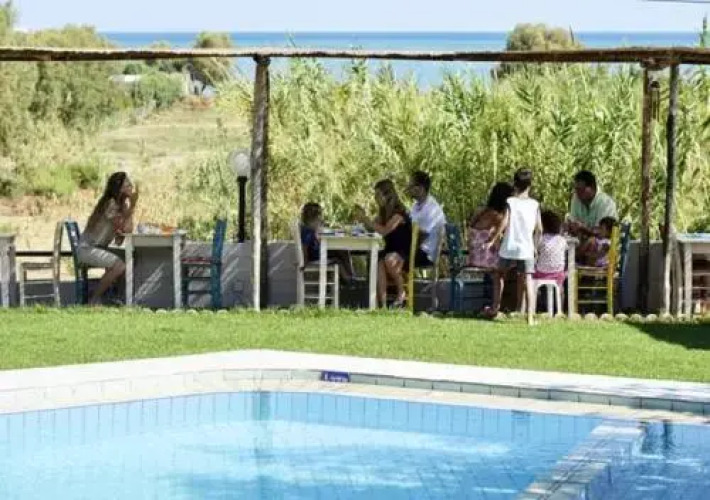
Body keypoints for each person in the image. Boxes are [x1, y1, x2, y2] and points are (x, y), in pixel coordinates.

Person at [485, 168, 542, 325]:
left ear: (515, 185)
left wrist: (493, 239)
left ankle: (495, 308)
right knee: (528, 279)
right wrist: (536, 246)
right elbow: (539, 228)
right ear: (530, 185)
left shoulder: (510, 202)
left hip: (509, 246)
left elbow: (504, 222)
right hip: (526, 247)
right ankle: (530, 317)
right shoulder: (535, 204)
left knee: (499, 274)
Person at [78, 171, 138, 305]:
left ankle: (117, 296)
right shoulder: (110, 203)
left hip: (99, 248)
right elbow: (123, 227)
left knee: (130, 258)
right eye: (127, 184)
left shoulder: (122, 206)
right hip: (88, 249)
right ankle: (94, 299)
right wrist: (132, 207)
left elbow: (124, 234)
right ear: (119, 188)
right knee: (119, 265)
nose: (131, 187)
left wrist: (129, 208)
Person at [354, 179, 412, 308]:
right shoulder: (383, 212)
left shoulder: (399, 213)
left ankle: (401, 293)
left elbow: (385, 230)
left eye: (378, 195)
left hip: (403, 252)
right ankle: (383, 304)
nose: (375, 198)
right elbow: (372, 228)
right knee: (378, 261)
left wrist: (367, 221)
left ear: (387, 195)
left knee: (388, 259)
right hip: (390, 250)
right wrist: (363, 218)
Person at [299, 202, 354, 282]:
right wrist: (305, 261)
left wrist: (319, 228)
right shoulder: (307, 231)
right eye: (319, 216)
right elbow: (305, 247)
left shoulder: (310, 228)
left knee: (342, 251)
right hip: (316, 255)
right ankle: (349, 279)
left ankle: (350, 277)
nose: (321, 218)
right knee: (339, 258)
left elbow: (316, 240)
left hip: (318, 252)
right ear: (314, 217)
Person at [467, 182, 514, 270]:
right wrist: (508, 211)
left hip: (475, 255)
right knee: (514, 263)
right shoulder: (495, 215)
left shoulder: (483, 211)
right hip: (483, 258)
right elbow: (505, 226)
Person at [407, 171, 446, 268]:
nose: (408, 189)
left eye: (411, 186)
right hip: (417, 249)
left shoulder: (431, 208)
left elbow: (422, 235)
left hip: (427, 254)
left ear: (421, 188)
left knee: (391, 257)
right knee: (384, 254)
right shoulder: (416, 206)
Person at [568, 170, 618, 238]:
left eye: (581, 189)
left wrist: (583, 228)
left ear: (592, 187)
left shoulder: (606, 204)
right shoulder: (576, 198)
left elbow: (602, 234)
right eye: (576, 189)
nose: (578, 193)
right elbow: (572, 222)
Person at [533, 210, 568, 288]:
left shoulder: (540, 239)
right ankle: (560, 294)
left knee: (529, 272)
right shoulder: (562, 240)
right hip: (558, 274)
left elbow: (535, 252)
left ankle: (533, 293)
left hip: (542, 273)